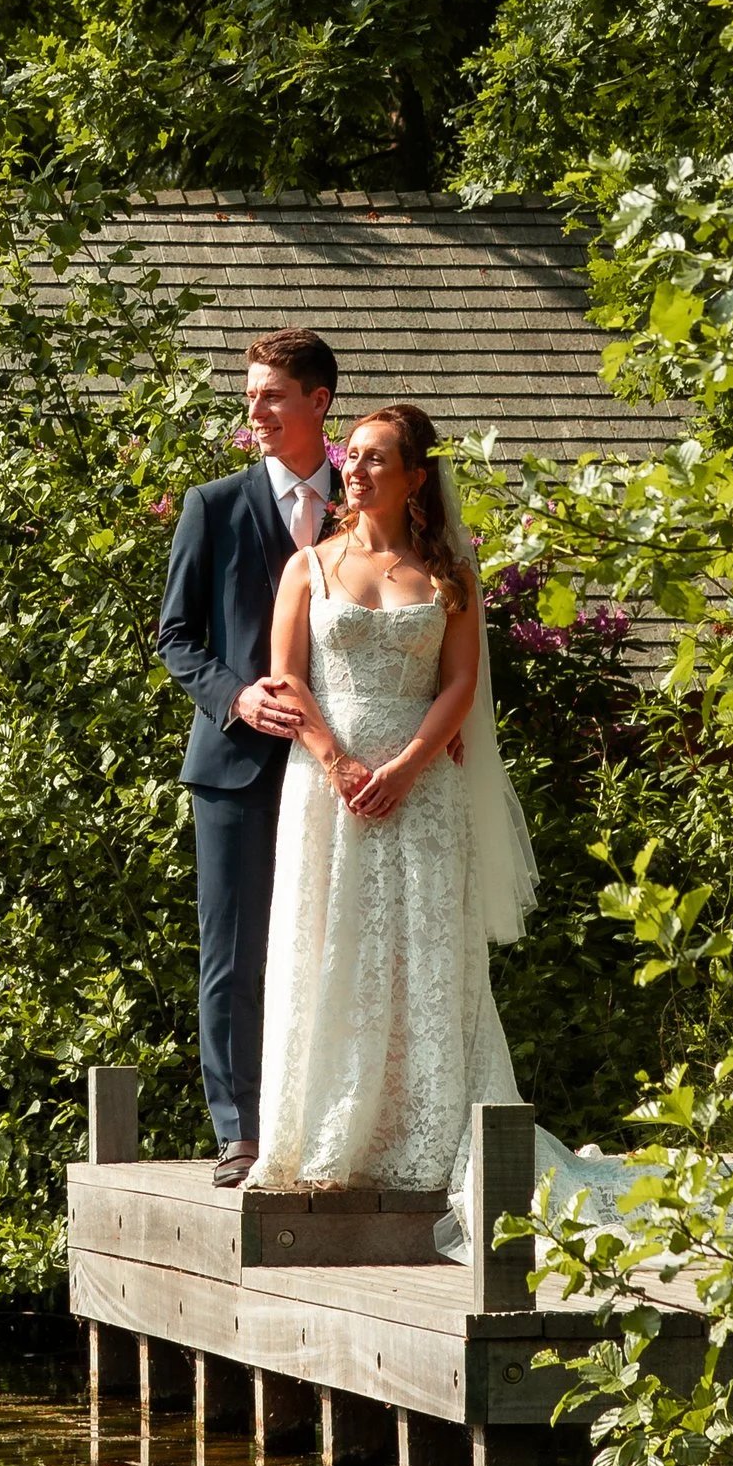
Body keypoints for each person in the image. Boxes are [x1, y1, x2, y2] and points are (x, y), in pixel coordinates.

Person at [250, 402, 536, 1195]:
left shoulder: (445, 575)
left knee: (422, 952)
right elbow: (288, 679)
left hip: (423, 788)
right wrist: (335, 764)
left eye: (378, 458)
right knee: (332, 944)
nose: (357, 468)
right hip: (326, 789)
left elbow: (461, 683)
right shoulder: (308, 565)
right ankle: (331, 1131)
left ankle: (429, 1133)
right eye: (355, 454)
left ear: (416, 477)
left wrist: (409, 765)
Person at [157, 329, 343, 1189]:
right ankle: (238, 1130)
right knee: (232, 950)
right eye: (251, 395)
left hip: (344, 766)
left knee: (333, 944)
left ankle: (328, 1120)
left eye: (272, 395)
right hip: (234, 763)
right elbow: (176, 637)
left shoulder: (365, 500)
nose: (255, 411)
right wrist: (236, 695)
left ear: (319, 402)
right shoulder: (215, 505)